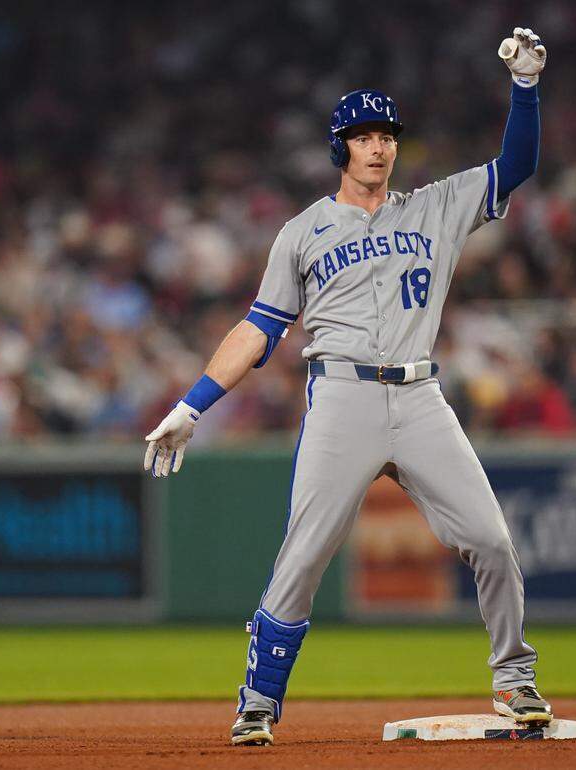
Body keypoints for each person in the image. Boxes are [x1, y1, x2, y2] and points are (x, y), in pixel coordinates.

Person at [143, 28, 549, 746]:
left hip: (420, 395)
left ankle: (515, 682)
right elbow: (257, 331)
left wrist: (524, 89)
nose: (378, 146)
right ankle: (258, 702)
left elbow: (515, 164)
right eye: (363, 135)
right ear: (342, 148)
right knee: (304, 554)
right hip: (342, 396)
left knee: (490, 539)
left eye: (386, 133)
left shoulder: (438, 205)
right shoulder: (302, 232)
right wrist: (190, 404)